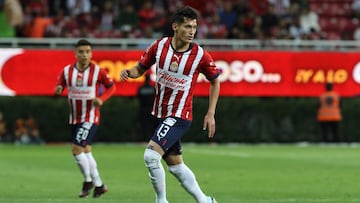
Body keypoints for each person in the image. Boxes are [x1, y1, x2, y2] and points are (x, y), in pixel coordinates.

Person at [120, 6, 220, 203]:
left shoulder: (200, 56)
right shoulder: (160, 46)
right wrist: (128, 72)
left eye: (194, 27)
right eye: (187, 26)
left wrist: (210, 113)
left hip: (180, 115)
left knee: (150, 156)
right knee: (175, 165)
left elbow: (215, 80)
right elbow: (140, 68)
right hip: (160, 114)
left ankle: (161, 201)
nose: (192, 31)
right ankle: (205, 200)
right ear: (175, 26)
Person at [54, 39, 115, 198]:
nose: (84, 54)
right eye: (81, 52)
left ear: (91, 53)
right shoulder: (67, 71)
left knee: (76, 150)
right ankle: (100, 185)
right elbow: (59, 86)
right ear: (75, 54)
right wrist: (59, 89)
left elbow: (112, 87)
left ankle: (88, 181)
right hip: (74, 118)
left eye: (87, 51)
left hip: (90, 116)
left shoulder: (98, 71)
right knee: (86, 151)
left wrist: (102, 99)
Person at [137, 73, 156, 141]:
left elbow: (139, 97)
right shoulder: (153, 89)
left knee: (144, 125)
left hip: (143, 109)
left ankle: (145, 139)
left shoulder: (141, 89)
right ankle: (153, 139)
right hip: (151, 109)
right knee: (152, 125)